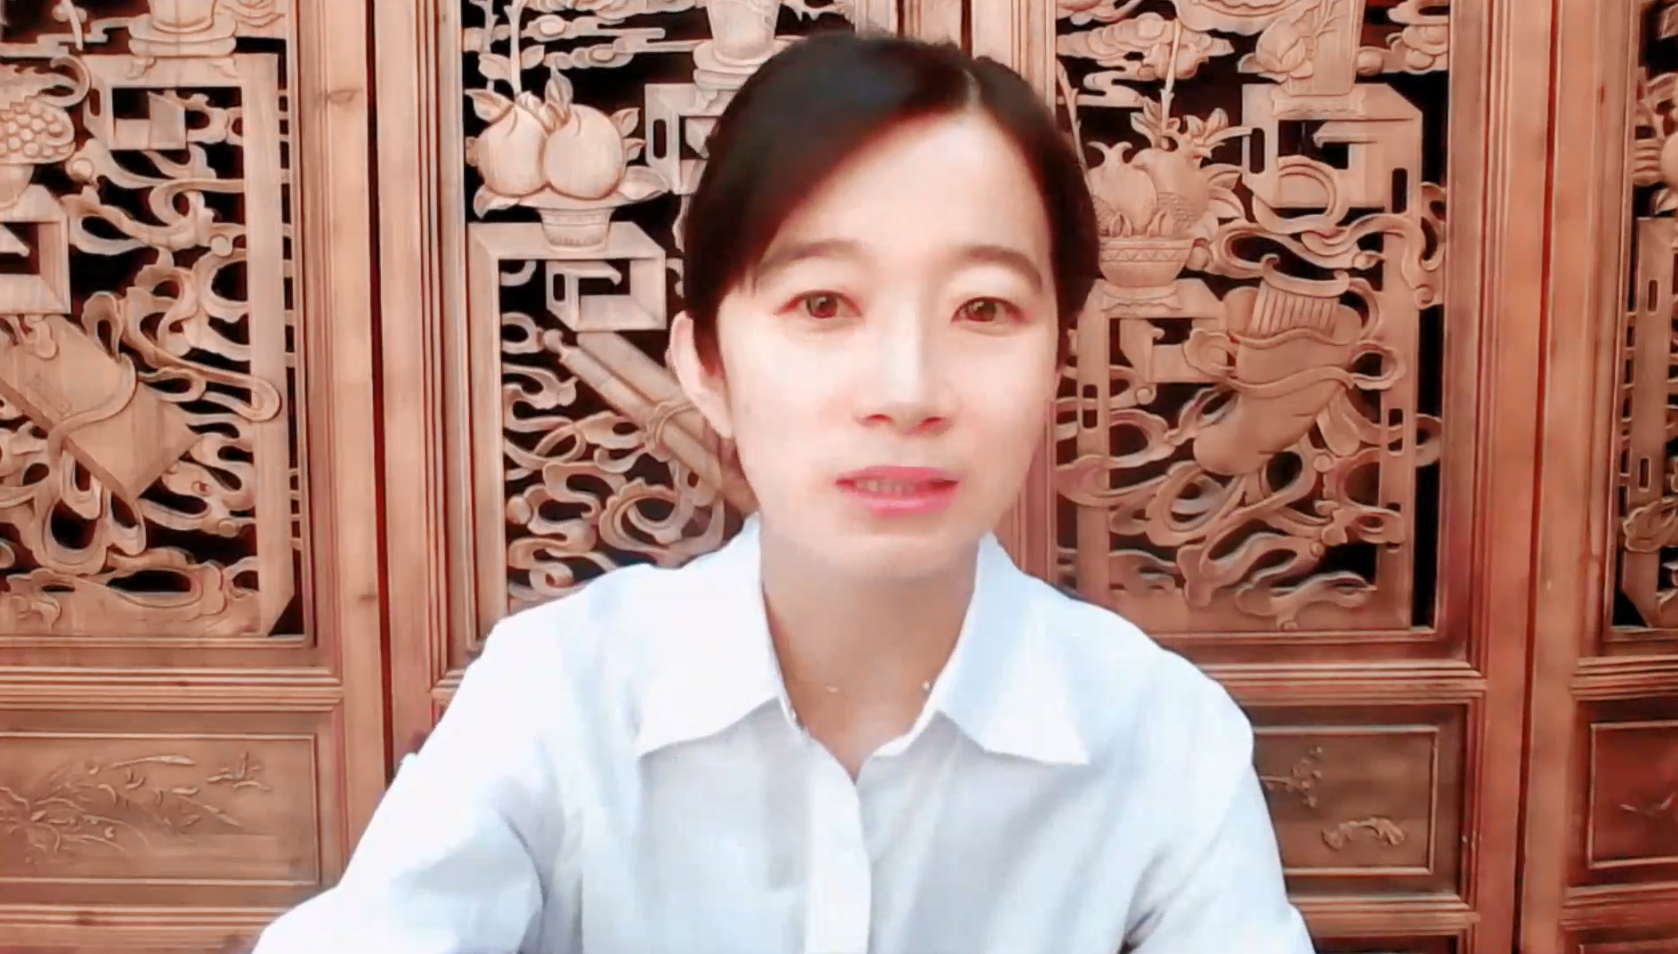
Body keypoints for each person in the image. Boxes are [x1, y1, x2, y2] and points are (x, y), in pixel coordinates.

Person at [251, 31, 1314, 954]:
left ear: (1055, 366)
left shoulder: (1161, 739)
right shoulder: (559, 696)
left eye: (984, 309)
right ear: (705, 364)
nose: (906, 392)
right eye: (821, 303)